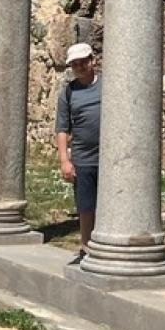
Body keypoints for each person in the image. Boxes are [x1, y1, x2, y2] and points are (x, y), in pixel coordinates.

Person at [54, 41, 101, 265]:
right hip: (83, 156)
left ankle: (103, 244)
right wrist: (65, 160)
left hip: (110, 157)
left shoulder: (109, 85)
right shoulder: (68, 93)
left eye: (83, 62)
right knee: (85, 205)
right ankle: (85, 244)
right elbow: (62, 129)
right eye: (75, 64)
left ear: (93, 61)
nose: (80, 67)